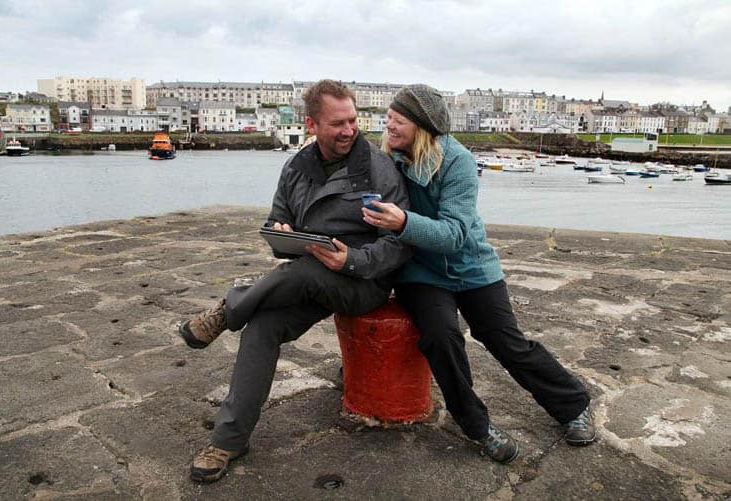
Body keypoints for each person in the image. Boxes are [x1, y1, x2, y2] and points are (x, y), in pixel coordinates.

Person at [178, 79, 412, 483]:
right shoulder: (296, 168)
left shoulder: (378, 168)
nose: (349, 130)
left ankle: (229, 307)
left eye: (353, 120)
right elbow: (275, 223)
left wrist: (351, 260)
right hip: (307, 278)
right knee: (262, 326)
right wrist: (283, 232)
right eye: (337, 123)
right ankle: (228, 441)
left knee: (302, 270)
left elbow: (399, 245)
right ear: (312, 124)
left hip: (364, 282)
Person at [362, 84, 595, 464]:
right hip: (420, 271)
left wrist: (403, 220)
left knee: (506, 341)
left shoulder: (458, 162)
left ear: (423, 126)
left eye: (398, 119)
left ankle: (573, 404)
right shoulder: (385, 159)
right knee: (441, 337)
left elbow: (454, 234)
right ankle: (478, 427)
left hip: (471, 265)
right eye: (388, 116)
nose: (388, 124)